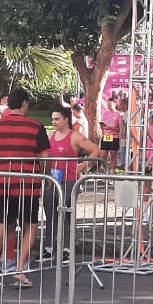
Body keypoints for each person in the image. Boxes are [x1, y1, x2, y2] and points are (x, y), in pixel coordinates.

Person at [0, 88, 50, 291]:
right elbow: (45, 157)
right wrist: (46, 176)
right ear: (24, 104)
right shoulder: (36, 126)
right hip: (27, 185)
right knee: (30, 226)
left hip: (0, 183)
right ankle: (19, 269)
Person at [46, 107, 100, 252]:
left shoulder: (74, 136)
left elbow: (95, 150)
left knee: (66, 214)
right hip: (53, 180)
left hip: (69, 180)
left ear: (66, 119)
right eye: (53, 119)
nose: (54, 122)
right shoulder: (52, 135)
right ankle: (49, 247)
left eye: (57, 119)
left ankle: (67, 249)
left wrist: (82, 166)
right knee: (50, 213)